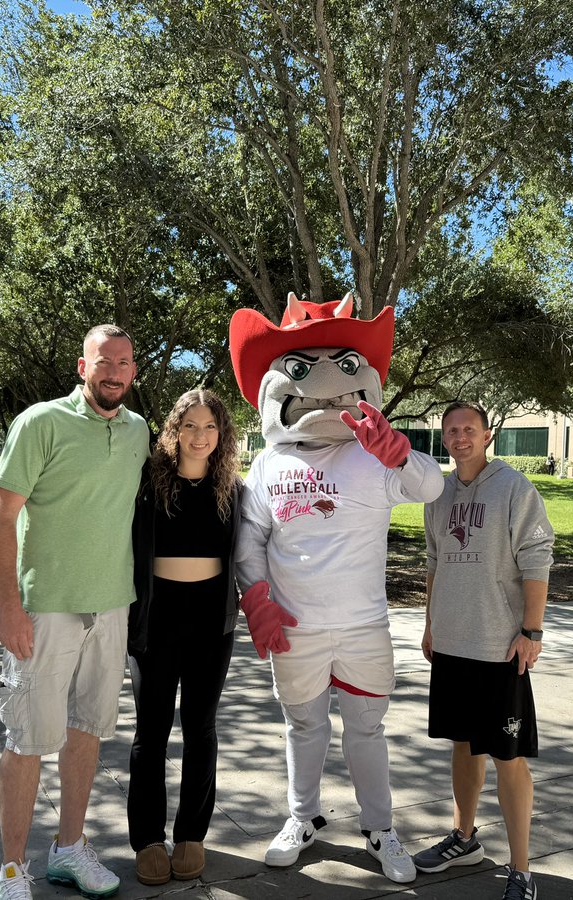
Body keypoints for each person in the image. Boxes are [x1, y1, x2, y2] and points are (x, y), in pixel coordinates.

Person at [230, 293, 443, 885]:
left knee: (367, 730)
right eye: (301, 368)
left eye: (345, 366)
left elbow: (432, 489)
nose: (326, 383)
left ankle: (380, 829)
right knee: (303, 727)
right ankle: (302, 818)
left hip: (363, 625)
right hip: (295, 626)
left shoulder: (374, 456)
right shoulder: (269, 465)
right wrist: (257, 599)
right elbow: (249, 542)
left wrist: (401, 454)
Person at [0, 324, 149, 900]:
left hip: (111, 606)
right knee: (29, 738)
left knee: (87, 733)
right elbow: (2, 516)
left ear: (134, 371)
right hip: (45, 609)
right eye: (103, 362)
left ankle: (70, 850)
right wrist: (10, 607)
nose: (114, 372)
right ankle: (12, 870)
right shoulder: (40, 423)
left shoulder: (138, 431)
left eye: (124, 363)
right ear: (83, 367)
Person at [414, 401, 554, 900]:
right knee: (462, 746)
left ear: (487, 434)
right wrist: (430, 625)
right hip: (451, 643)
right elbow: (433, 561)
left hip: (500, 647)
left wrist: (531, 633)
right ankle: (464, 837)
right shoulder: (437, 493)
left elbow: (537, 559)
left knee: (507, 757)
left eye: (468, 429)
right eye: (452, 431)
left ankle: (521, 870)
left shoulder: (514, 488)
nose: (460, 438)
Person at [127, 389, 242, 886]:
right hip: (157, 617)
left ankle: (192, 833)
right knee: (151, 732)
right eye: (190, 425)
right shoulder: (149, 484)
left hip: (211, 621)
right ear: (174, 430)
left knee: (201, 729)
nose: (200, 436)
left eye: (210, 426)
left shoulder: (233, 488)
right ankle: (148, 839)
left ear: (222, 434)